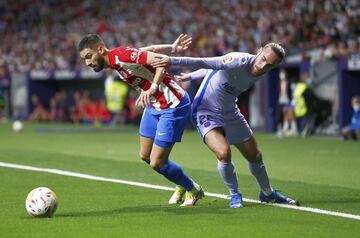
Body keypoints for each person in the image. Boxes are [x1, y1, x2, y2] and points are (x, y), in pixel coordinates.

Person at [151, 43, 298, 208]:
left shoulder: (261, 71)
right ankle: (235, 195)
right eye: (263, 59)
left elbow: (216, 67)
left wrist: (191, 76)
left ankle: (267, 193)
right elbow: (206, 62)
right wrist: (171, 60)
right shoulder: (238, 60)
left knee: (255, 155)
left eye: (270, 65)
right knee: (224, 153)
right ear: (259, 51)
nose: (263, 66)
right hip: (204, 110)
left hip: (230, 112)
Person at [78, 34, 204, 206]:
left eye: (88, 57)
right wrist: (172, 48)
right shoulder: (117, 61)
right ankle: (180, 182)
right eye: (84, 59)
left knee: (157, 162)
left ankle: (193, 189)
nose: (87, 63)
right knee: (145, 155)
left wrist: (152, 87)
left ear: (100, 49)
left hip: (172, 104)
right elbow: (150, 50)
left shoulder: (122, 57)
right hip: (153, 105)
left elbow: (160, 60)